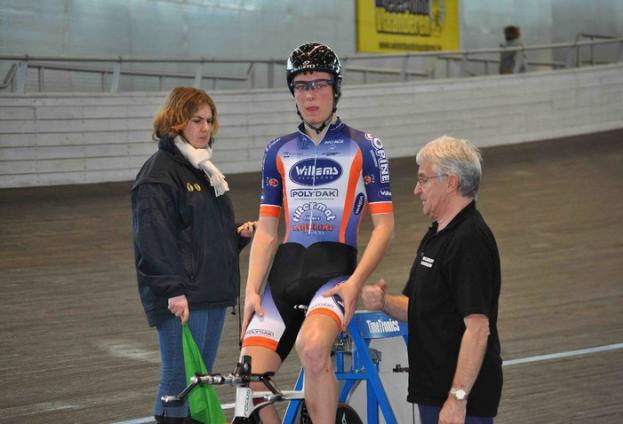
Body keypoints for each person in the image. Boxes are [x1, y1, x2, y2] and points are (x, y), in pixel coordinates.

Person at [240, 42, 395, 424]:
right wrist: (252, 289)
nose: (311, 94)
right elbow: (267, 231)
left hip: (334, 275)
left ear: (335, 88)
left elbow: (385, 226)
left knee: (312, 350)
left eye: (320, 84)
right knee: (248, 372)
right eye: (301, 85)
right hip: (285, 274)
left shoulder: (365, 146)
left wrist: (357, 282)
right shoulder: (277, 150)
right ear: (293, 92)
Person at [131, 87, 255, 424]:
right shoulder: (158, 174)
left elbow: (201, 233)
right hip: (182, 296)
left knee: (197, 383)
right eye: (196, 120)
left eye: (209, 121)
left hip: (210, 293)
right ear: (175, 123)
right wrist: (172, 289)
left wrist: (236, 236)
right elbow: (152, 240)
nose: (205, 128)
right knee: (178, 381)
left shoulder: (202, 169)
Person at [361, 136, 503, 424]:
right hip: (434, 393)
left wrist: (457, 398)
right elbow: (419, 306)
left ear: (451, 182)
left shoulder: (469, 241)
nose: (416, 190)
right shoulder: (437, 236)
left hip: (460, 403)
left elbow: (477, 329)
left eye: (423, 180)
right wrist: (384, 302)